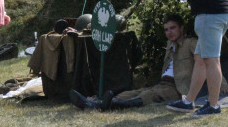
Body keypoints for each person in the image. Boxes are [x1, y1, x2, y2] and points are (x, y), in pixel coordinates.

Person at [70, 13, 218, 110]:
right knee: (133, 92)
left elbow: (209, 62)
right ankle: (97, 103)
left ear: (181, 28)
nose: (169, 32)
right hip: (162, 83)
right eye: (166, 29)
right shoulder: (169, 45)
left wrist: (222, 85)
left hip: (178, 88)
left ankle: (103, 106)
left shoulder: (191, 43)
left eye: (173, 28)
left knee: (147, 96)